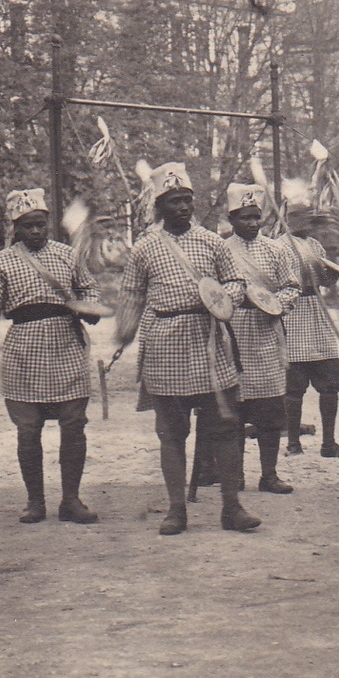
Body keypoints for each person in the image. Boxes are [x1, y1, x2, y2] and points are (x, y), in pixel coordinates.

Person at [116, 163, 255, 536]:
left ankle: (232, 507)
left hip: (209, 339)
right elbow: (131, 293)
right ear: (159, 205)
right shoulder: (145, 247)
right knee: (172, 433)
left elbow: (236, 281)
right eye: (174, 201)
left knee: (225, 427)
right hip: (164, 342)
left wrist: (224, 299)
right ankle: (177, 510)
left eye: (186, 200)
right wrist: (125, 327)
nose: (181, 207)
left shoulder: (212, 241)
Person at [0, 188, 103, 524]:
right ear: (15, 228)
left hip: (67, 345)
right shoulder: (1, 261)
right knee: (28, 429)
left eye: (41, 224)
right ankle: (35, 501)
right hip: (24, 349)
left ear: (48, 224)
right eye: (28, 225)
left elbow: (89, 289)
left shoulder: (67, 254)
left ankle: (72, 501)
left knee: (74, 425)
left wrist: (87, 307)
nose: (36, 231)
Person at [222, 183, 301, 495]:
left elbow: (292, 286)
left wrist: (276, 304)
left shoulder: (276, 250)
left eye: (256, 218)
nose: (252, 224)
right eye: (245, 218)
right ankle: (235, 475)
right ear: (232, 219)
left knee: (269, 410)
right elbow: (212, 290)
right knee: (235, 412)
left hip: (267, 333)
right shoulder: (220, 249)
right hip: (232, 332)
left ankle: (269, 474)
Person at [282, 207, 339, 459]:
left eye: (308, 218)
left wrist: (330, 275)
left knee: (330, 382)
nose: (304, 222)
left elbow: (322, 278)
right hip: (291, 313)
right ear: (287, 217)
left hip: (316, 312)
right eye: (297, 216)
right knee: (294, 385)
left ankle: (329, 442)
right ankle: (292, 442)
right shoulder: (277, 247)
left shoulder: (315, 245)